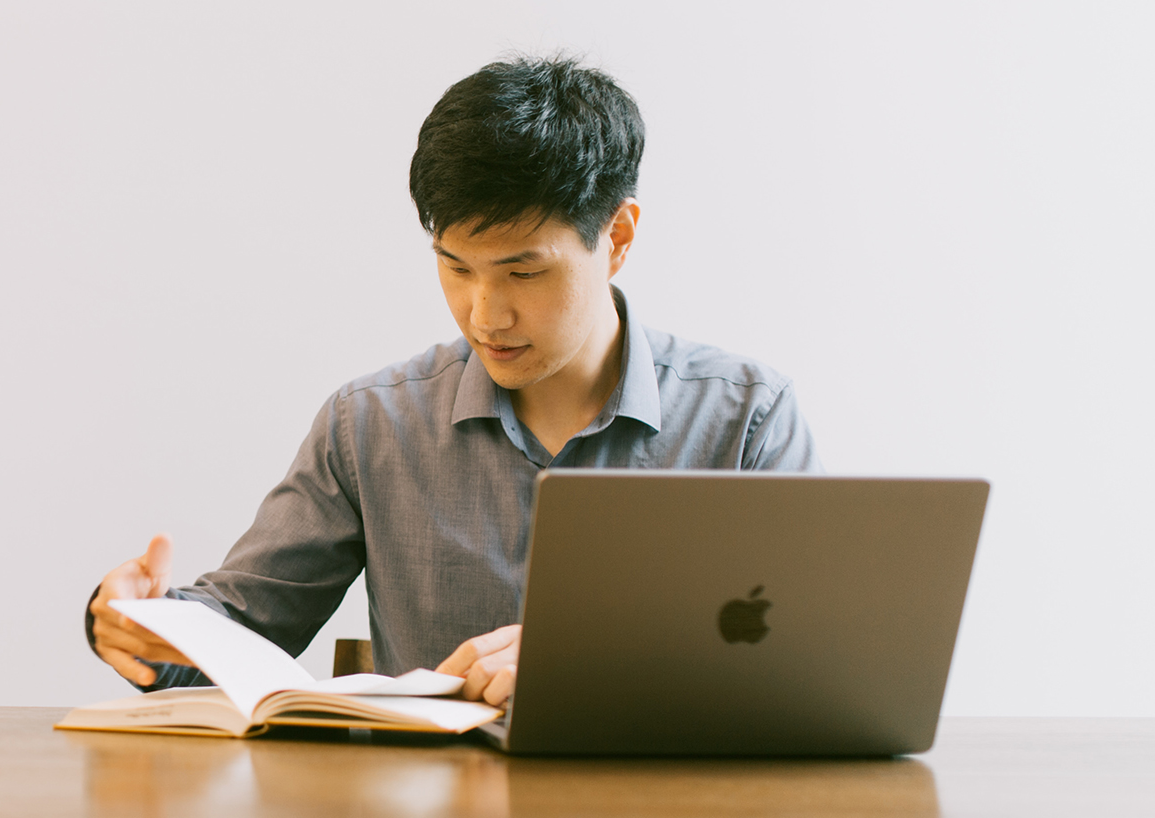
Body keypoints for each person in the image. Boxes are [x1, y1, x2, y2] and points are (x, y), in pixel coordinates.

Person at [86, 56, 821, 707]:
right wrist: (138, 622)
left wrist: (591, 662)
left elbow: (808, 661)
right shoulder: (371, 424)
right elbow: (239, 630)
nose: (484, 314)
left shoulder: (745, 420)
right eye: (456, 267)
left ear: (617, 238)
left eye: (523, 272)